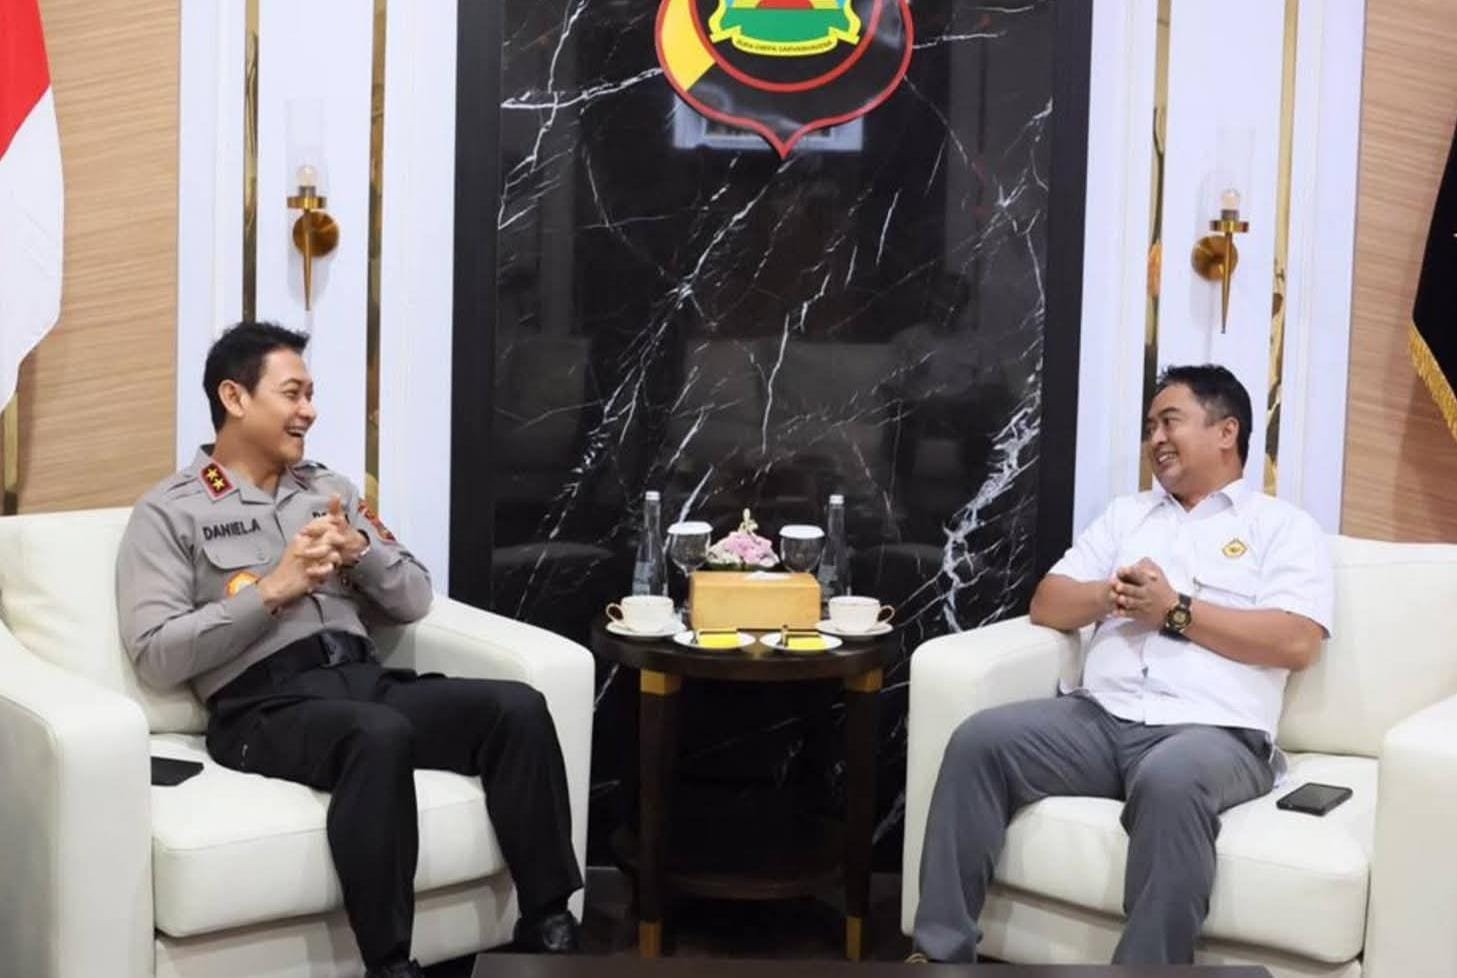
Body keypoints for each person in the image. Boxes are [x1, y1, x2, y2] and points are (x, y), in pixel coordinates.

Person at [117, 321, 583, 978]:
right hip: (262, 708)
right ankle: (389, 962)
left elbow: (415, 599)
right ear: (234, 397)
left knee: (516, 708)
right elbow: (155, 653)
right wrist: (271, 591)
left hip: (363, 680)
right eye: (293, 393)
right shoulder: (170, 512)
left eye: (310, 394)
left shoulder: (329, 491)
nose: (309, 410)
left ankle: (547, 920)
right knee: (378, 735)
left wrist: (359, 551)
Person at [912, 364, 1333, 965]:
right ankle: (940, 956)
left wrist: (1174, 611)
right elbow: (1048, 602)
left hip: (1213, 734)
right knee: (980, 741)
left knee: (1171, 780)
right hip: (1098, 721)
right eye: (1149, 427)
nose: (1155, 439)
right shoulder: (1125, 517)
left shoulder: (1282, 528)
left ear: (1226, 432)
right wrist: (1112, 595)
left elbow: (1296, 641)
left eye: (1170, 422)